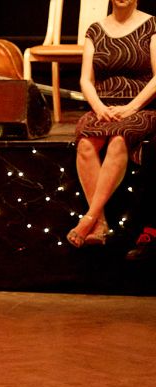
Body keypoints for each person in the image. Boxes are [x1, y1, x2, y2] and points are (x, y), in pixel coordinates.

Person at [67, 0, 156, 247]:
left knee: (119, 138)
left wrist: (131, 108)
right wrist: (98, 107)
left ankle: (89, 218)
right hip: (104, 106)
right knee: (86, 142)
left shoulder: (152, 26)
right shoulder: (95, 30)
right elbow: (86, 80)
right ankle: (101, 225)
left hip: (142, 106)